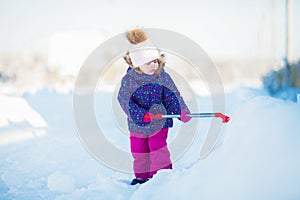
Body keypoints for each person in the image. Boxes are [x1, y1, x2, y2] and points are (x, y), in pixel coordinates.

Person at [118, 28, 191, 185]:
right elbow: (124, 99)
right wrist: (140, 114)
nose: (153, 65)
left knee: (158, 150)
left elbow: (173, 96)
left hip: (159, 122)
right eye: (147, 62)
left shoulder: (163, 77)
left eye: (155, 61)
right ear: (137, 64)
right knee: (140, 152)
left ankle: (160, 178)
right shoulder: (129, 80)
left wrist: (181, 111)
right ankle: (142, 178)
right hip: (137, 124)